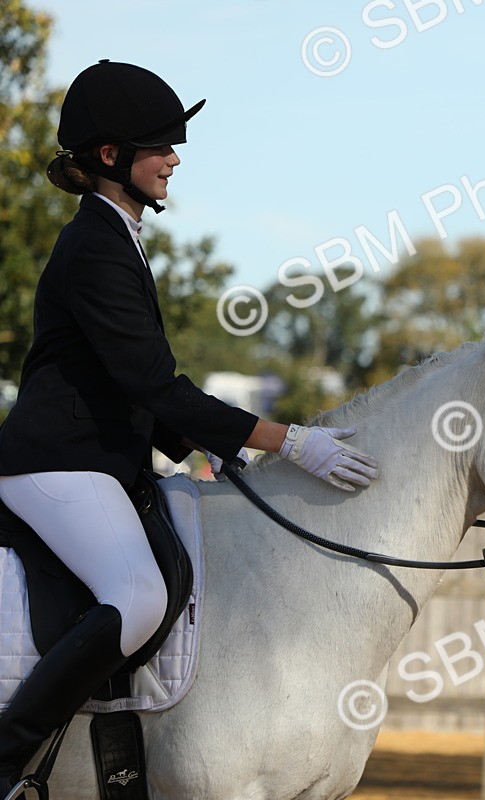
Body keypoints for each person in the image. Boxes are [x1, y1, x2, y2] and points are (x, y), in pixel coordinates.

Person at [0, 60, 379, 788]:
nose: (173, 159)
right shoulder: (95, 247)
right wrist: (288, 440)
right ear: (110, 155)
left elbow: (126, 388)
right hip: (57, 464)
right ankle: (8, 760)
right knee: (139, 596)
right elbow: (154, 385)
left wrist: (210, 448)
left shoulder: (118, 235)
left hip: (98, 459)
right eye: (159, 146)